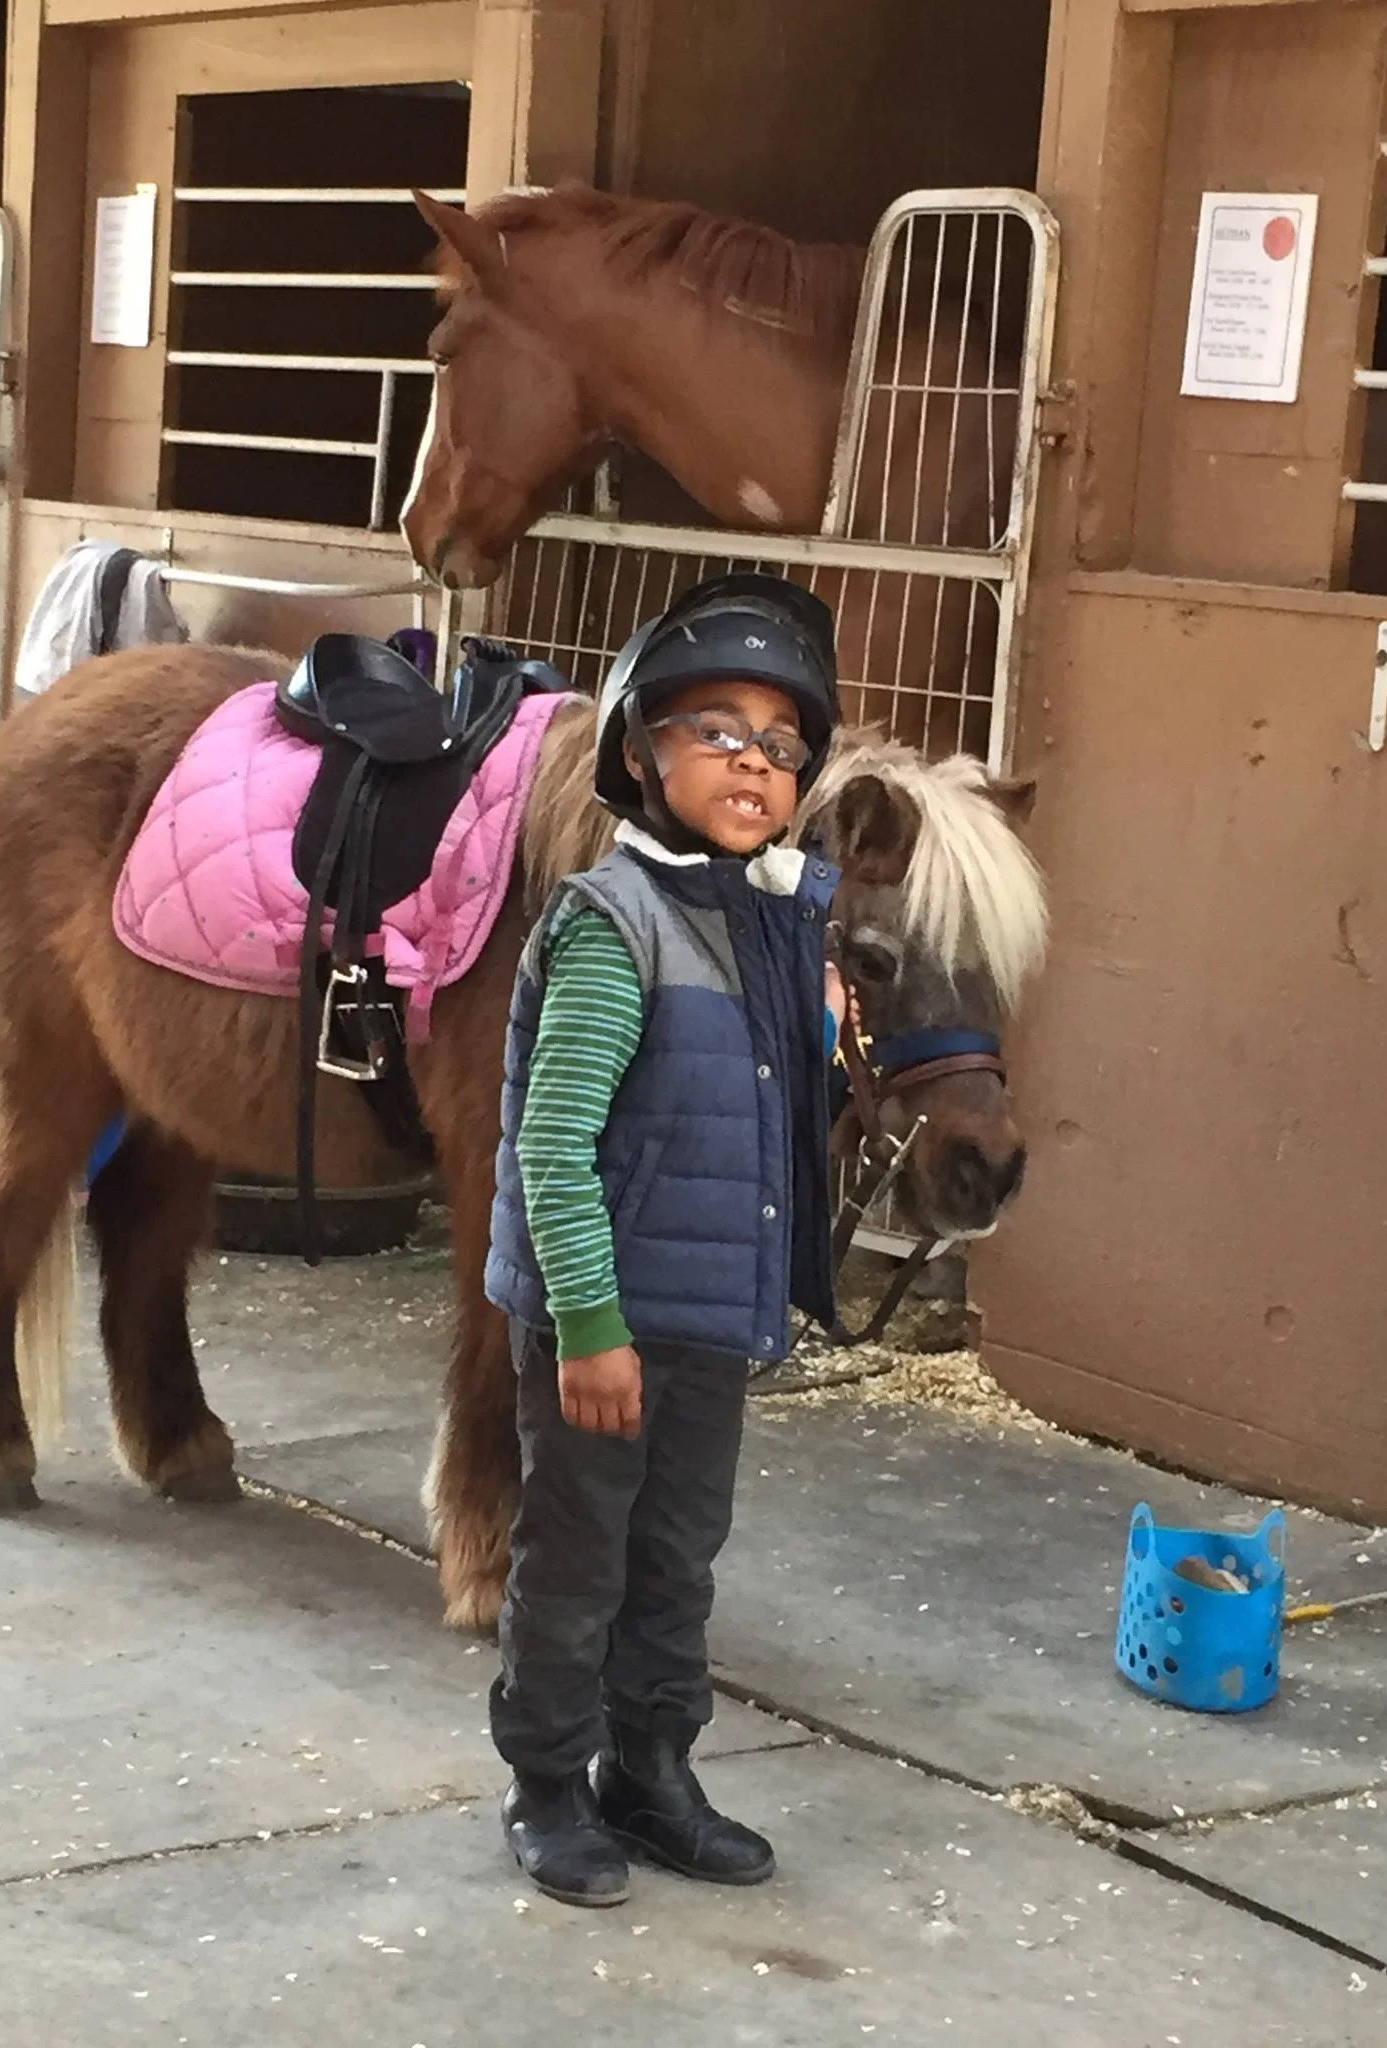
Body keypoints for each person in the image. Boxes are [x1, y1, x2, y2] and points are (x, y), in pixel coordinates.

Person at [484, 573, 849, 1908]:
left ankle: (653, 1772)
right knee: (576, 1559)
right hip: (608, 1327)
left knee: (677, 1557)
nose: (757, 760)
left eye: (782, 740)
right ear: (641, 753)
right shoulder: (609, 923)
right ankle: (545, 1786)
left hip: (704, 1325)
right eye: (719, 730)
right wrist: (587, 1322)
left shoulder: (767, 926)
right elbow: (553, 1143)